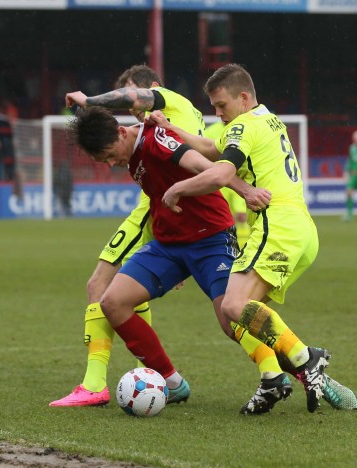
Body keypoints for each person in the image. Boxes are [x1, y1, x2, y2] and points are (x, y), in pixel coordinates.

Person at [67, 105, 313, 415]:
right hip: (169, 246)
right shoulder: (132, 153)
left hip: (211, 238)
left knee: (231, 317)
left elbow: (201, 165)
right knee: (112, 301)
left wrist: (245, 189)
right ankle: (171, 383)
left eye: (109, 154)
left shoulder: (156, 138)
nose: (111, 163)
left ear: (120, 132)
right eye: (103, 161)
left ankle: (282, 374)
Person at [155, 64, 337, 413]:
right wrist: (171, 128)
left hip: (276, 223)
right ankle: (272, 381)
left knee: (233, 306)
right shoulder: (267, 120)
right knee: (248, 314)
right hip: (302, 229)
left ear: (243, 97)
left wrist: (178, 188)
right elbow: (211, 146)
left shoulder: (243, 125)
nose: (217, 112)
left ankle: (307, 358)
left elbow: (221, 171)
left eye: (221, 105)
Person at [50, 65, 207, 408]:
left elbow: (133, 99)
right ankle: (151, 373)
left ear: (152, 88)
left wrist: (89, 100)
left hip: (152, 211)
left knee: (99, 285)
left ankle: (96, 383)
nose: (133, 109)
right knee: (129, 289)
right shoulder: (172, 119)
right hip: (169, 212)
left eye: (136, 99)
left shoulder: (168, 103)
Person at [204, 121, 251, 247]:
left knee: (242, 217)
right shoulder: (210, 131)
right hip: (217, 181)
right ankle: (223, 247)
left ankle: (243, 247)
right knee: (219, 219)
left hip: (239, 179)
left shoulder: (246, 129)